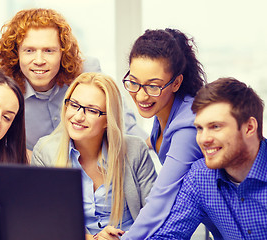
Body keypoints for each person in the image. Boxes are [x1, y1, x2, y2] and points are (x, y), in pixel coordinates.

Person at [0, 8, 147, 151]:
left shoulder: (87, 73)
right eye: (29, 50)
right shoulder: (4, 88)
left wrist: (154, 145)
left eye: (49, 50)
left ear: (62, 53)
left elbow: (121, 122)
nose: (39, 60)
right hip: (37, 171)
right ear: (16, 54)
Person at [31, 72, 157, 239]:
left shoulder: (135, 150)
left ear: (108, 120)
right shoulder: (45, 151)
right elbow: (43, 221)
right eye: (74, 105)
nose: (78, 116)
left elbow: (156, 214)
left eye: (92, 110)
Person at [150, 77, 267, 239]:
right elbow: (169, 235)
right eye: (199, 128)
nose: (204, 139)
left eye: (215, 126)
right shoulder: (200, 176)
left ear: (249, 128)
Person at [120, 28, 207, 240]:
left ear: (176, 82)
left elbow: (162, 198)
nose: (140, 95)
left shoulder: (188, 126)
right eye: (133, 82)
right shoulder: (164, 113)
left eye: (153, 86)